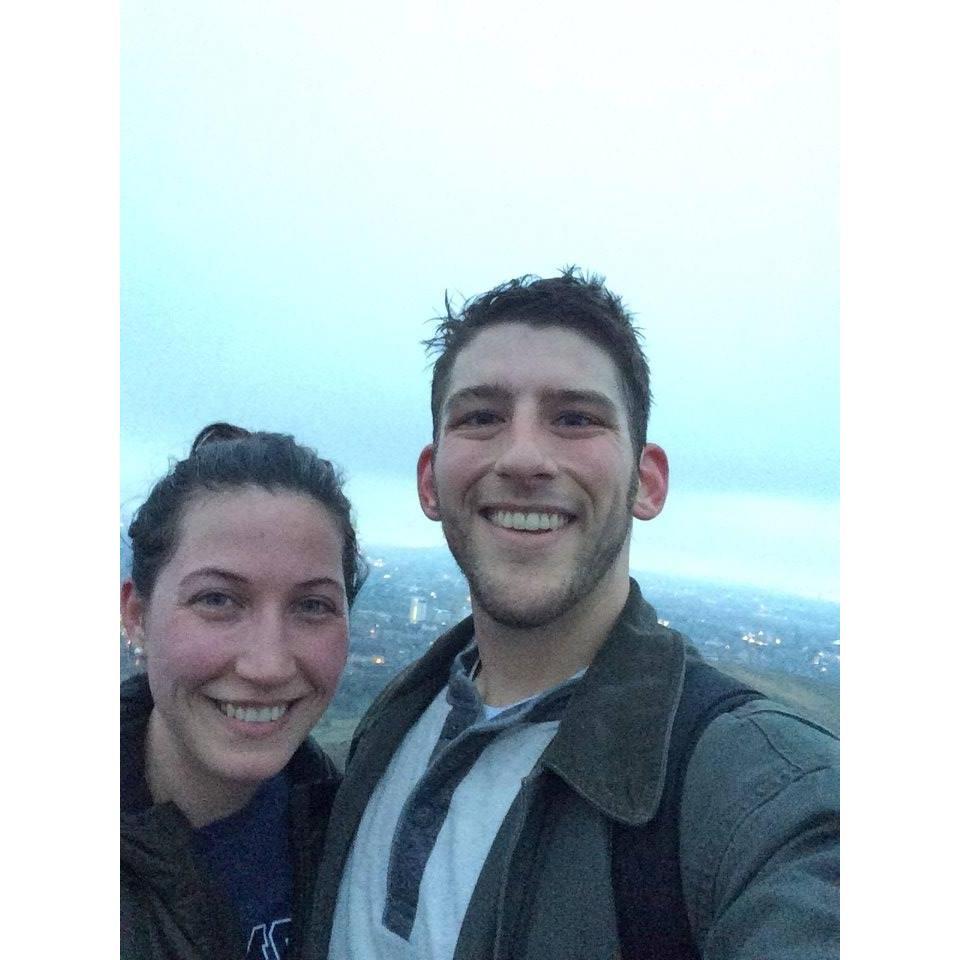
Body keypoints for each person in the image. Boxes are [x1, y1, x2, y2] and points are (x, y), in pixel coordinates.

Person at [307, 269, 840, 960]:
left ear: (646, 483)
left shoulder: (752, 793)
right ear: (429, 480)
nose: (524, 456)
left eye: (575, 418)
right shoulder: (398, 717)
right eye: (481, 416)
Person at [120, 422, 367, 960]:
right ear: (136, 615)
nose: (268, 665)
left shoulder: (362, 841)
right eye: (217, 600)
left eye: (312, 606)